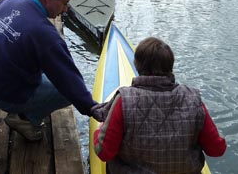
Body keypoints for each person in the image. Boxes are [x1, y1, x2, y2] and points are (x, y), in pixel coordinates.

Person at [0, 0, 106, 141]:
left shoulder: (7, 2)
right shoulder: (46, 34)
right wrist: (91, 108)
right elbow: (67, 78)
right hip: (7, 96)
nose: (65, 10)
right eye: (64, 3)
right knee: (67, 93)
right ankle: (25, 119)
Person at [93, 37, 227, 173]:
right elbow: (217, 150)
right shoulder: (194, 99)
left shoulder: (123, 101)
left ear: (137, 64)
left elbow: (104, 153)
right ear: (170, 66)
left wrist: (100, 129)